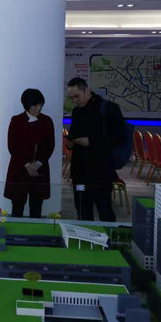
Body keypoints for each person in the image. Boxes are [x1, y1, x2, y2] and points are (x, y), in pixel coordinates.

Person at [66, 77, 125, 222]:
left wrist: (91, 141)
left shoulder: (109, 108)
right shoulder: (76, 112)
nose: (74, 100)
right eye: (71, 98)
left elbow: (119, 137)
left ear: (87, 90)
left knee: (105, 211)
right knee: (82, 211)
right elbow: (73, 134)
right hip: (80, 174)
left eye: (77, 96)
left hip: (101, 172)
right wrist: (70, 142)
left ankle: (108, 237)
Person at [3, 89, 55, 218]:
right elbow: (13, 146)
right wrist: (27, 165)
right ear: (26, 105)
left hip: (39, 170)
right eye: (35, 105)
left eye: (40, 105)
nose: (38, 108)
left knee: (37, 206)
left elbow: (49, 145)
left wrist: (38, 163)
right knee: (17, 206)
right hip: (19, 169)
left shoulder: (47, 121)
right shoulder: (16, 120)